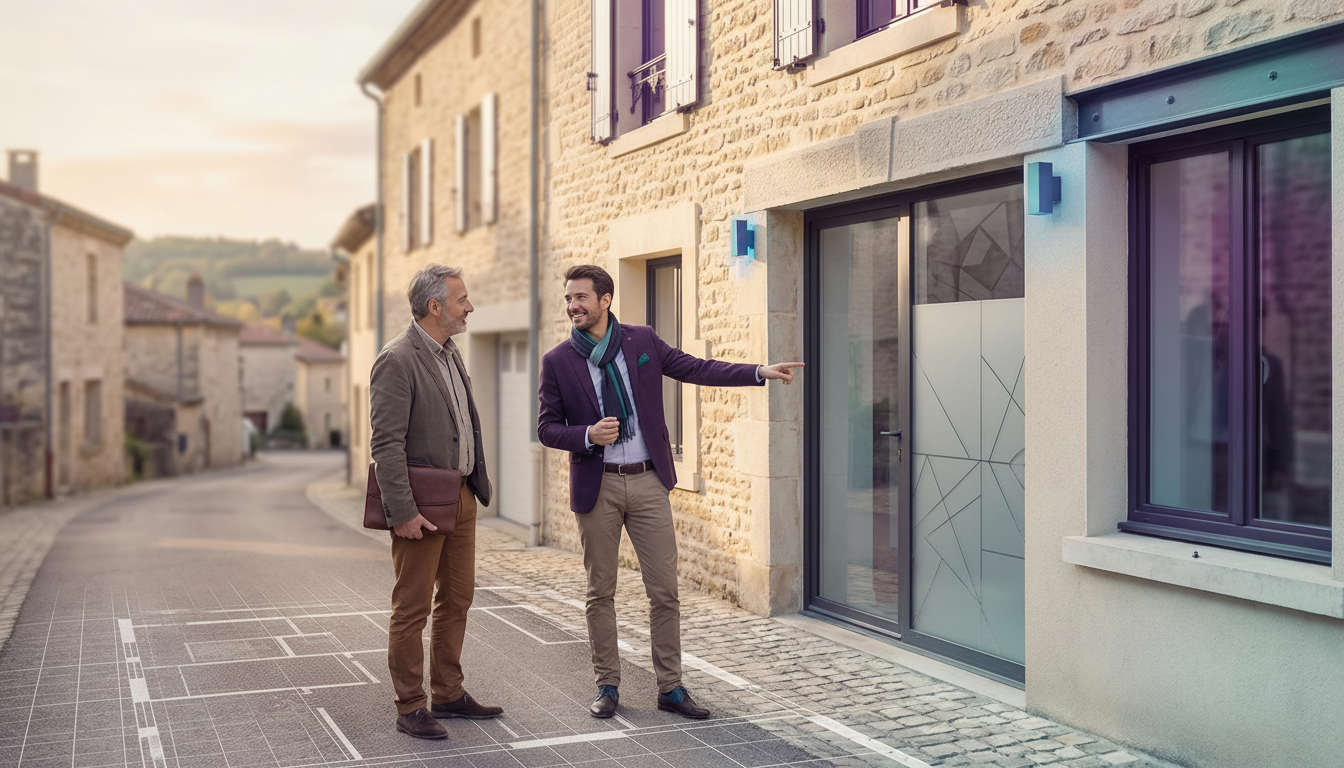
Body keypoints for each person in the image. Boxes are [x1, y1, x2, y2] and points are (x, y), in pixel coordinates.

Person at [537, 264, 803, 720]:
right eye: (568, 299)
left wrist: (759, 371)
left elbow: (697, 368)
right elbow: (547, 428)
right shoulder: (558, 360)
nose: (572, 306)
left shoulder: (641, 341)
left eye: (581, 297)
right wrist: (586, 435)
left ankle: (671, 687)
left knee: (664, 591)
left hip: (646, 482)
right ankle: (607, 684)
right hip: (596, 486)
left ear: (605, 300)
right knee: (600, 591)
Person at [369, 264, 502, 740]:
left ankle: (447, 693)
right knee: (412, 608)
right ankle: (410, 706)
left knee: (458, 600)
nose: (469, 307)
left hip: (461, 496)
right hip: (420, 508)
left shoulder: (450, 353)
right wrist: (401, 512)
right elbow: (385, 444)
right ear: (435, 307)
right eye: (462, 299)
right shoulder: (397, 359)